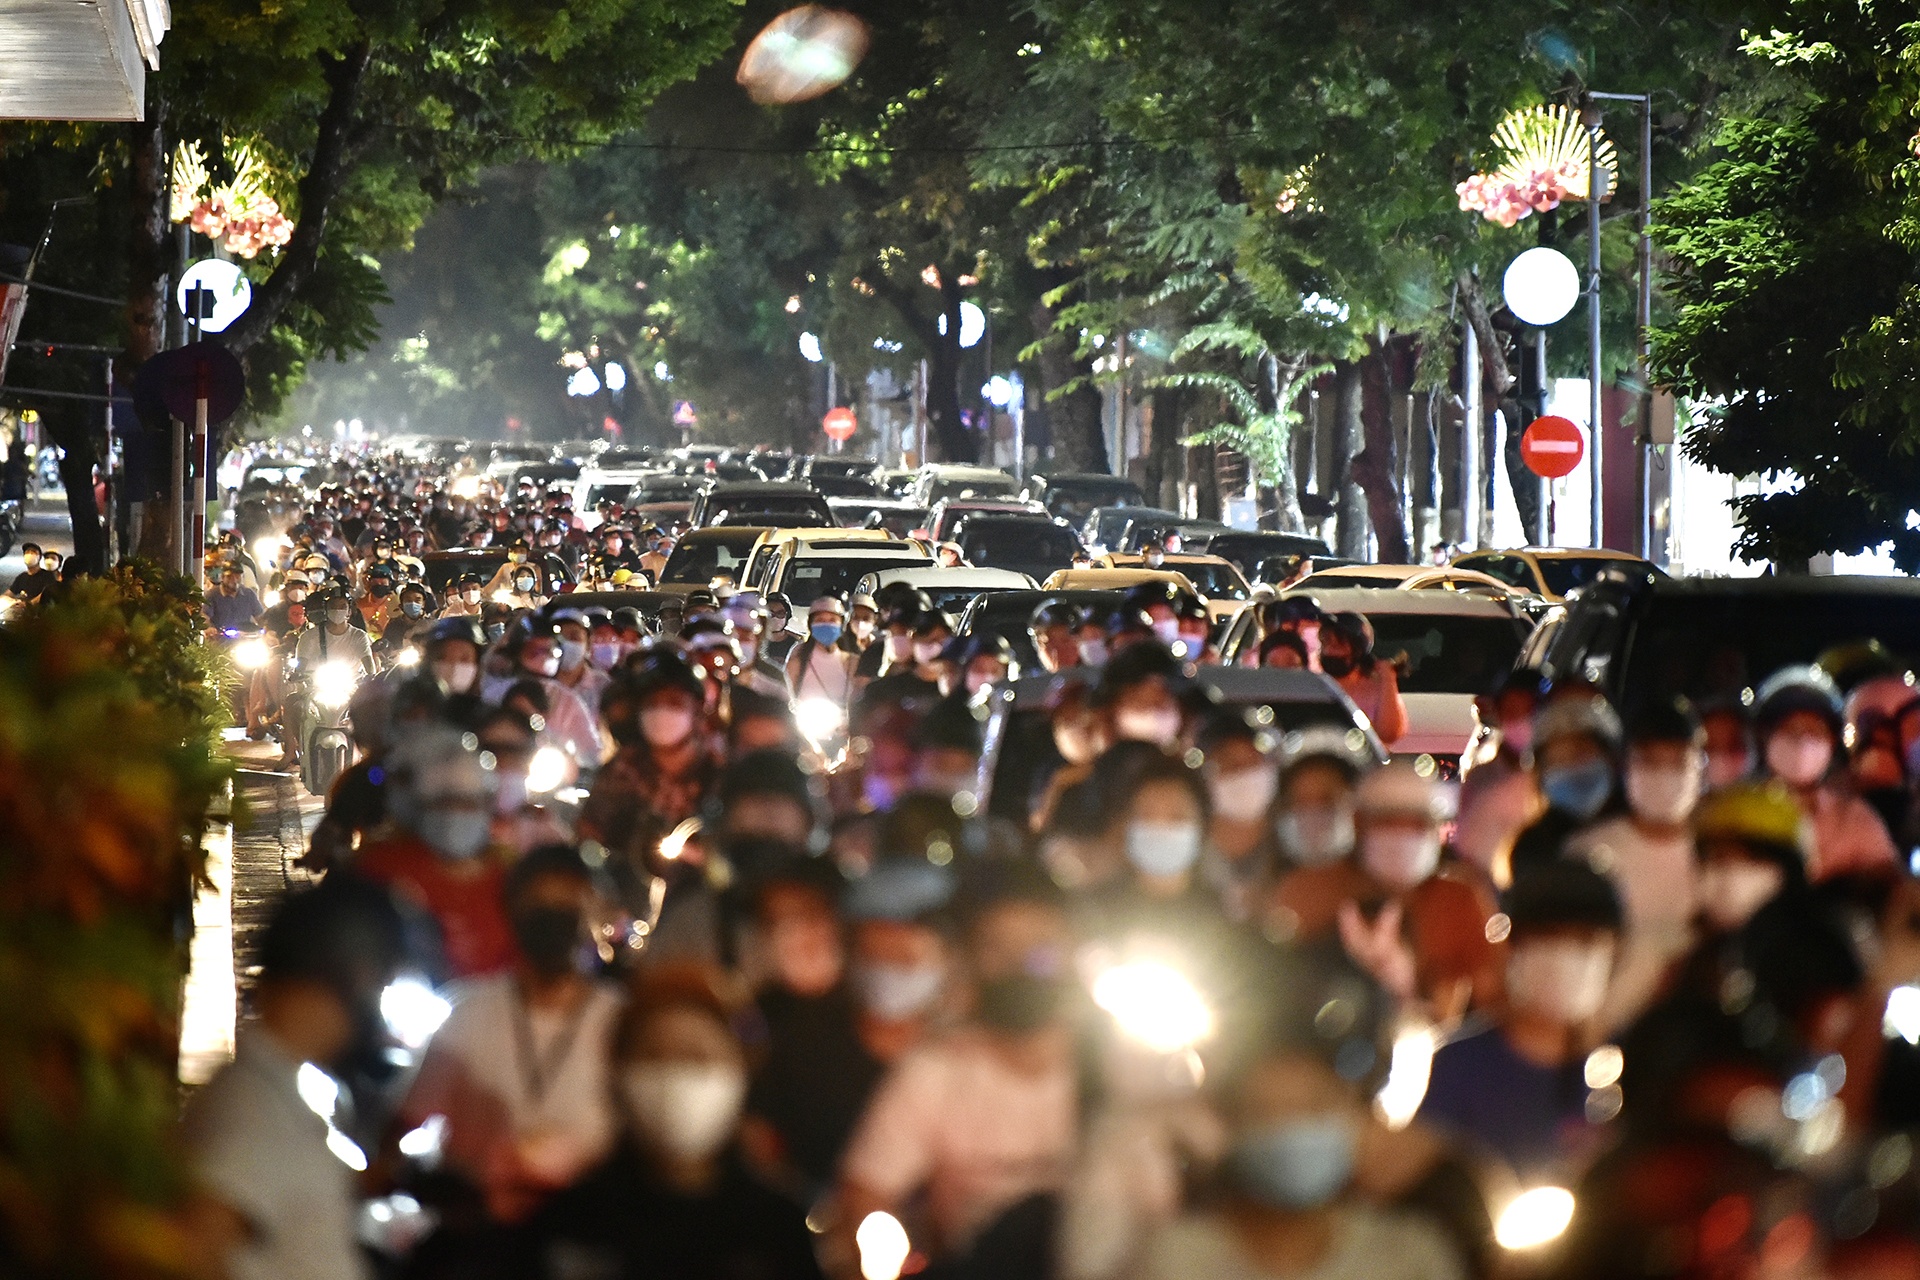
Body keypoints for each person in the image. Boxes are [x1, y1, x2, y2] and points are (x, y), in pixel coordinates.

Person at [1125, 946, 1466, 1280]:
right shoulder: (1176, 1258)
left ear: (1352, 1116)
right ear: (1230, 1128)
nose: (1291, 1126)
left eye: (1311, 1108)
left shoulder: (1409, 1255)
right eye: (1267, 1112)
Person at [836, 868, 1080, 1272]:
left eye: (1040, 949)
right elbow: (866, 1194)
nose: (1019, 965)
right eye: (998, 948)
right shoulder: (937, 1070)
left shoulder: (1113, 1067)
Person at [513, 965, 825, 1280]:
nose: (675, 1077)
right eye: (653, 1057)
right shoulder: (571, 1226)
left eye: (697, 1057)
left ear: (739, 1074)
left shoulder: (777, 1229)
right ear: (618, 1074)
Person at [181, 875, 406, 1280]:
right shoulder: (253, 1109)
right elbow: (193, 1246)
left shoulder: (276, 1092)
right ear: (361, 976)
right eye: (383, 983)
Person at [397, 846, 626, 1226]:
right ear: (512, 911)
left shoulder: (621, 1021)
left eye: (567, 903)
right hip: (480, 1230)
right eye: (540, 906)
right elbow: (406, 1125)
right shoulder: (468, 1013)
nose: (553, 919)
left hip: (588, 1227)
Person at [1417, 860, 1624, 1181]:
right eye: (1548, 937)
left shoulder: (1620, 1069)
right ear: (1512, 949)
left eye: (1585, 941)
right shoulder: (1460, 1063)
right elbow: (1424, 1171)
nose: (1565, 958)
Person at [1270, 763, 1501, 1020]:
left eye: (1415, 823)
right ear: (1358, 823)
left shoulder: (1459, 899)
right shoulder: (1310, 890)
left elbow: (1488, 999)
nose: (1400, 833)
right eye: (1386, 822)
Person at [1567, 699, 1706, 1030]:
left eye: (1677, 763)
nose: (1663, 776)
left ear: (1699, 768)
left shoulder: (1718, 857)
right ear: (1625, 766)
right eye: (1649, 761)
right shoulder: (1587, 853)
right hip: (1602, 1035)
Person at [357, 723, 516, 979]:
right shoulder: (381, 867)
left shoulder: (511, 876)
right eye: (443, 803)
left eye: (467, 803)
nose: (455, 814)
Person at [1751, 664, 1897, 880]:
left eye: (1815, 731)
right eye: (1790, 729)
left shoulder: (1854, 818)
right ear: (1764, 738)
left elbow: (1890, 883)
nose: (1802, 742)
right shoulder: (1741, 815)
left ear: (1832, 742)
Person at [1315, 612, 1407, 747]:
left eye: (1339, 644)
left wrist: (1388, 678)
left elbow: (1389, 734)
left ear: (1357, 649)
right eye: (1326, 641)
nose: (1329, 651)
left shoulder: (1377, 688)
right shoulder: (1313, 684)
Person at [786, 595, 857, 708]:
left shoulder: (852, 662)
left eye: (832, 620)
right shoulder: (797, 664)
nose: (826, 624)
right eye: (820, 620)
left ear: (842, 625)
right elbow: (787, 698)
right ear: (810, 625)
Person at [205, 561, 265, 633]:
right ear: (222, 577)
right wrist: (210, 629)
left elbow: (260, 617)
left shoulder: (249, 594)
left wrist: (268, 629)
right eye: (229, 577)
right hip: (221, 636)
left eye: (237, 577)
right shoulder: (212, 595)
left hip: (246, 635)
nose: (234, 580)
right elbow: (205, 617)